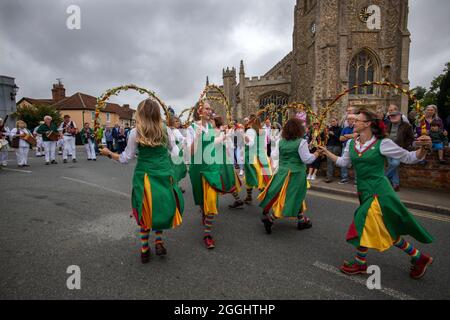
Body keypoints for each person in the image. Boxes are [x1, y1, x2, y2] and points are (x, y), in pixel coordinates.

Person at [319, 110, 434, 279]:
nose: (353, 122)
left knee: (362, 221)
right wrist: (327, 152)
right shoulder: (352, 144)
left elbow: (409, 157)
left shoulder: (383, 143)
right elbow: (345, 163)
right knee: (384, 229)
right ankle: (419, 257)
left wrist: (424, 148)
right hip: (364, 192)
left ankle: (360, 263)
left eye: (357, 120)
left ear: (367, 124)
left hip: (380, 192)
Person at [100, 98, 184, 264]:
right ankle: (159, 241)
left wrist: (109, 153)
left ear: (141, 113)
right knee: (160, 208)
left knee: (145, 209)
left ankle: (145, 248)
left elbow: (125, 158)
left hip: (144, 176)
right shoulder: (166, 130)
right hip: (164, 173)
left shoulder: (135, 132)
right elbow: (175, 152)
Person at [258, 118, 320, 234]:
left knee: (295, 196)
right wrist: (316, 153)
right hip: (296, 174)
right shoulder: (301, 142)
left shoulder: (280, 142)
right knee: (290, 197)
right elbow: (307, 159)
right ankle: (271, 219)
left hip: (282, 172)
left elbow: (275, 155)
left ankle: (301, 220)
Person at [185, 100, 227, 249]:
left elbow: (213, 142)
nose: (210, 111)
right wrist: (196, 137)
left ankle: (207, 234)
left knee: (211, 200)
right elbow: (190, 152)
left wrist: (222, 138)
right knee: (202, 200)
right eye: (207, 109)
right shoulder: (192, 128)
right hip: (197, 168)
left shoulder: (211, 126)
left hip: (211, 167)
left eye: (211, 109)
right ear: (199, 111)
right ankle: (204, 212)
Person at [212, 116, 244, 210]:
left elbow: (219, 144)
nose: (211, 122)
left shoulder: (218, 132)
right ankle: (238, 200)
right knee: (226, 180)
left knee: (217, 180)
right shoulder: (219, 131)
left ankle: (211, 205)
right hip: (220, 159)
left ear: (216, 122)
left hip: (219, 160)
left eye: (212, 121)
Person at [243, 114, 272, 204]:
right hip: (262, 156)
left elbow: (250, 144)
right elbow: (264, 145)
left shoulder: (250, 131)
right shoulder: (263, 131)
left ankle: (261, 197)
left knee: (250, 176)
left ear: (251, 121)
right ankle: (250, 196)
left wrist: (243, 135)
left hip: (252, 157)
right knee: (262, 177)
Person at [385, 105, 414, 191]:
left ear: (400, 115)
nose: (392, 117)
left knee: (395, 164)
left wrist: (404, 147)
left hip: (399, 149)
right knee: (393, 166)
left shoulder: (406, 125)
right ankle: (395, 184)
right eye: (391, 116)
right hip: (388, 149)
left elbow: (411, 138)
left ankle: (384, 178)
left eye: (394, 115)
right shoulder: (388, 124)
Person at [168, 116, 188, 193]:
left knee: (174, 169)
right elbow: (182, 139)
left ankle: (174, 185)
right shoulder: (175, 131)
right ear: (172, 122)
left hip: (172, 152)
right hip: (177, 152)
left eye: (178, 121)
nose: (178, 122)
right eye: (176, 121)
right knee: (177, 170)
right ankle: (174, 187)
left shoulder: (169, 130)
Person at [339, 114, 357, 184]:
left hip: (355, 147)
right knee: (343, 163)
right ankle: (344, 178)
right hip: (345, 147)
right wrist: (351, 136)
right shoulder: (345, 128)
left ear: (354, 120)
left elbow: (356, 136)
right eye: (348, 119)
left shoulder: (357, 127)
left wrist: (346, 136)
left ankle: (356, 180)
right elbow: (340, 138)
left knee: (356, 163)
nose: (349, 120)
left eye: (351, 119)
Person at [325, 117, 342, 183]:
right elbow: (327, 139)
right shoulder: (329, 129)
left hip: (337, 146)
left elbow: (340, 139)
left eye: (334, 121)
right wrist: (327, 135)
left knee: (335, 161)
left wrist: (334, 134)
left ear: (337, 121)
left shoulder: (340, 129)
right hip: (329, 146)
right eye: (332, 121)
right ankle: (329, 177)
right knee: (329, 162)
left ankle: (341, 177)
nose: (333, 122)